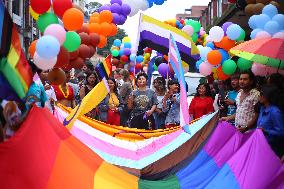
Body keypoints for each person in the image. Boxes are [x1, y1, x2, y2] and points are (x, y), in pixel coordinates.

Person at [257, 85, 284, 158]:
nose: (259, 96)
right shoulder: (262, 108)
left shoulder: (275, 112)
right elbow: (259, 128)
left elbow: (281, 132)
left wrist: (266, 131)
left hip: (272, 149)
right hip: (261, 146)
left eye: (262, 94)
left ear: (268, 96)